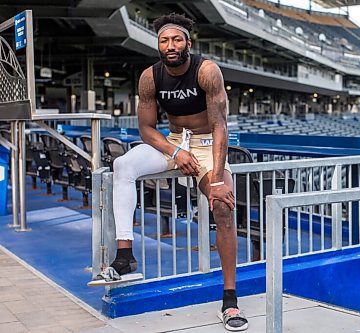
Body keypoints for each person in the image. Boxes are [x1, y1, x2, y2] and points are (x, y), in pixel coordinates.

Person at [95, 12, 248, 331]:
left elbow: (221, 126)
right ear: (158, 45)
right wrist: (175, 151)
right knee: (123, 164)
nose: (170, 45)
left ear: (188, 43)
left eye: (176, 39)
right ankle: (125, 256)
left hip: (207, 144)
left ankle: (230, 301)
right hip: (174, 143)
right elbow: (146, 129)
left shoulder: (207, 71)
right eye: (164, 40)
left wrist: (217, 178)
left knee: (223, 207)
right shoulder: (150, 77)